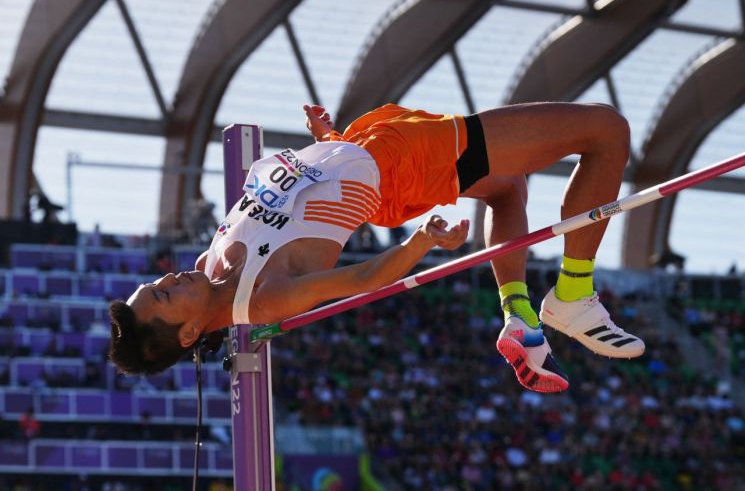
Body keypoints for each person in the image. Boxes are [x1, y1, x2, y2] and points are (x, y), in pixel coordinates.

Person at [109, 102, 645, 393]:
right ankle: (573, 294)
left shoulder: (211, 263)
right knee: (604, 130)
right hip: (406, 163)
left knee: (508, 189)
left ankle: (521, 317)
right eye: (162, 296)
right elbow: (361, 281)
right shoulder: (265, 297)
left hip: (374, 153)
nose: (166, 279)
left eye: (153, 285)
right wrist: (420, 243)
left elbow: (301, 198)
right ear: (186, 330)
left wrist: (330, 142)